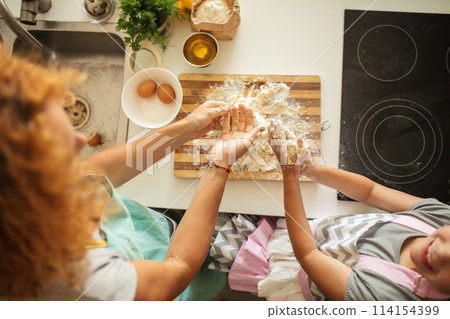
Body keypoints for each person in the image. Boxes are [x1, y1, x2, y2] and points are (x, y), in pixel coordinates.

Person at [0, 46, 259, 301]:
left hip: (152, 233)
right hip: (174, 276)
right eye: (62, 152)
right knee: (216, 277)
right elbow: (175, 271)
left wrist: (187, 129)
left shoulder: (27, 191)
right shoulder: (83, 278)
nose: (81, 141)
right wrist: (220, 165)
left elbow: (98, 173)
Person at [268, 120, 450, 301]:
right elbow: (371, 192)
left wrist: (290, 176)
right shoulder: (442, 217)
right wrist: (310, 169)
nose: (445, 253)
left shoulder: (386, 301)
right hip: (318, 232)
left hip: (297, 273)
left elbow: (308, 255)